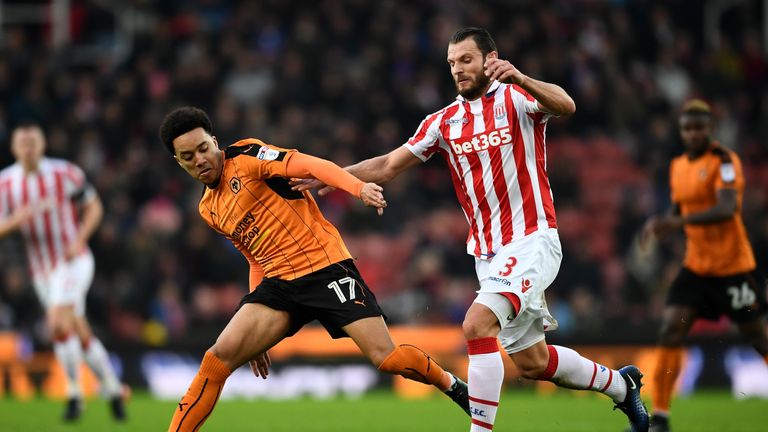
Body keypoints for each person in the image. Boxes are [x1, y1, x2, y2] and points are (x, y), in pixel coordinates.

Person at [294, 27, 650, 432]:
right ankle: (622, 387)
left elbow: (567, 105)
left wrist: (520, 77)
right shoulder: (442, 122)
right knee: (533, 362)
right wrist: (335, 176)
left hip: (532, 238)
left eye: (466, 60)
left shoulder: (517, 99)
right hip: (488, 253)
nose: (458, 69)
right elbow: (389, 165)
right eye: (452, 63)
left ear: (489, 58)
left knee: (475, 324)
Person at [159, 106, 470, 431]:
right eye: (188, 156)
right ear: (178, 162)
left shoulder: (247, 155)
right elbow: (254, 259)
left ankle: (450, 384)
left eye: (203, 148)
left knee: (386, 358)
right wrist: (256, 328)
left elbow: (309, 165)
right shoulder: (209, 209)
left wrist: (357, 188)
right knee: (216, 359)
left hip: (325, 267)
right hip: (279, 284)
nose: (200, 159)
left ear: (215, 141)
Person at [640, 99, 768, 432]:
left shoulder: (725, 161)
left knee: (756, 335)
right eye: (687, 128)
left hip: (733, 267)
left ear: (709, 129)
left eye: (699, 127)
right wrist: (659, 224)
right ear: (681, 131)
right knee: (670, 329)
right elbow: (681, 211)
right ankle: (662, 417)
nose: (693, 133)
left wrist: (675, 223)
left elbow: (727, 208)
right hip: (696, 267)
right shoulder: (678, 166)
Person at [0, 122, 127, 421]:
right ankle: (113, 390)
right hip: (41, 271)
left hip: (74, 260)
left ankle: (74, 396)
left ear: (42, 145)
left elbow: (94, 207)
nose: (29, 148)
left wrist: (80, 239)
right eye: (23, 142)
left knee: (57, 322)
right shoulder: (5, 183)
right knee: (79, 331)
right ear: (14, 148)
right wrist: (15, 221)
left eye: (34, 142)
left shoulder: (65, 173)